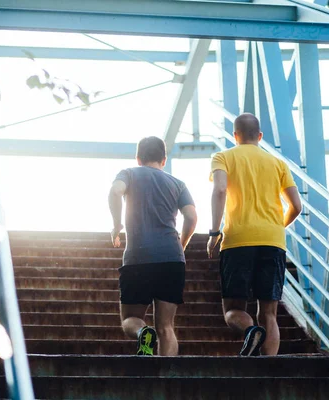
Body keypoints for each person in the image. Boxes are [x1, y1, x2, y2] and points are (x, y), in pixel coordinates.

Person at [207, 113, 302, 356]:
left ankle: (250, 331)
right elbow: (297, 207)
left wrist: (214, 232)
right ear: (259, 136)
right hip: (272, 241)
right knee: (269, 313)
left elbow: (219, 190)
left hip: (238, 240)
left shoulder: (223, 157)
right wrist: (278, 227)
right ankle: (268, 370)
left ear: (235, 135)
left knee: (232, 310)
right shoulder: (278, 164)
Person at [108, 136, 197, 356]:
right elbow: (191, 217)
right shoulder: (178, 184)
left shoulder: (128, 173)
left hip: (138, 258)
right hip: (172, 259)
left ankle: (142, 332)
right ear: (164, 160)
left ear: (138, 158)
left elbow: (115, 191)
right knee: (166, 327)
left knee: (130, 318)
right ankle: (166, 381)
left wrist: (117, 223)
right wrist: (181, 244)